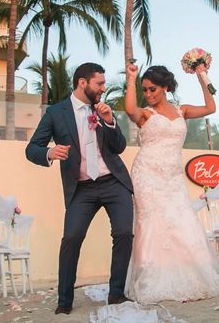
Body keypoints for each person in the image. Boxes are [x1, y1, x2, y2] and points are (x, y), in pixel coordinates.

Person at [25, 62, 133, 315]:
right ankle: (64, 301)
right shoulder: (56, 112)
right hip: (81, 188)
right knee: (71, 238)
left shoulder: (103, 109)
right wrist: (50, 151)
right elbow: (32, 149)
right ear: (82, 82)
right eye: (99, 83)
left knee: (124, 233)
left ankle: (116, 294)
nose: (103, 88)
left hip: (113, 182)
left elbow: (119, 147)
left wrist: (109, 122)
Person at [124, 63, 219, 304]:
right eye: (145, 90)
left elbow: (211, 107)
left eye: (152, 89)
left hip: (172, 178)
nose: (148, 95)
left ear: (165, 87)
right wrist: (131, 78)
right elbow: (130, 109)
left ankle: (190, 275)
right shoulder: (146, 114)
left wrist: (202, 75)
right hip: (147, 174)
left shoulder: (182, 111)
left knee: (182, 221)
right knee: (151, 223)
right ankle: (152, 279)